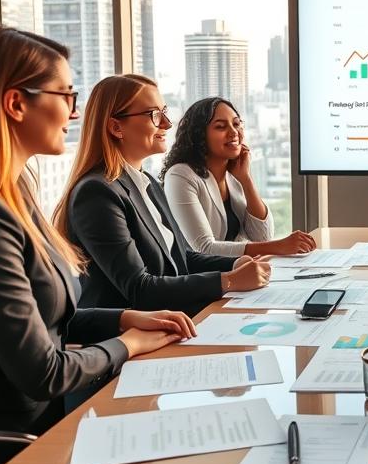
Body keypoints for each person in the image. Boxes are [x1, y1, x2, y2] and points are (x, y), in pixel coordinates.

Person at [0, 25, 195, 464]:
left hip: (48, 433)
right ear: (17, 103)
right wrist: (127, 344)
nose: (75, 114)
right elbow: (44, 371)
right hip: (15, 452)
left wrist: (122, 319)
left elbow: (45, 317)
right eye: (66, 96)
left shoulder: (14, 191)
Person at [55, 75, 270, 316]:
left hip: (172, 320)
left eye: (165, 112)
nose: (167, 123)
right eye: (154, 115)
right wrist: (228, 280)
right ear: (116, 127)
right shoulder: (96, 194)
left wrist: (235, 264)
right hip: (131, 337)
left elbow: (182, 258)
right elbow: (139, 288)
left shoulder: (148, 183)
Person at [160, 97, 316, 256]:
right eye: (220, 127)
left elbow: (262, 237)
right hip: (202, 278)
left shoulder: (234, 174)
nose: (234, 132)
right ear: (199, 135)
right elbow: (203, 248)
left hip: (238, 272)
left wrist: (246, 180)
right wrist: (279, 246)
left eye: (236, 124)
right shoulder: (180, 176)